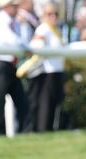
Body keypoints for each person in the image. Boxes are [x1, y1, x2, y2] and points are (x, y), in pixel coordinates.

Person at [0, 0, 29, 135]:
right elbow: (14, 41)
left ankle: (25, 132)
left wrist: (23, 27)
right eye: (14, 6)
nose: (17, 8)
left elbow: (23, 40)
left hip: (12, 67)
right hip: (0, 65)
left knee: (22, 102)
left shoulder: (15, 22)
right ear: (6, 6)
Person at [24, 2, 65, 132]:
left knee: (54, 102)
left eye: (55, 14)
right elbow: (36, 45)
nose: (53, 17)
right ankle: (44, 129)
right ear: (44, 15)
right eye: (49, 14)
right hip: (47, 71)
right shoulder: (43, 28)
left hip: (57, 71)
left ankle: (50, 128)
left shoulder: (56, 29)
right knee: (46, 104)